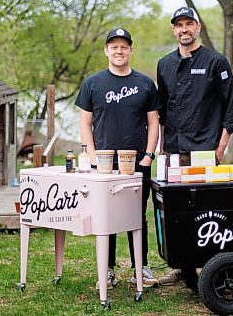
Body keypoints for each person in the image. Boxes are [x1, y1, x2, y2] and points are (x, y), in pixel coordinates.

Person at [156, 7, 233, 285]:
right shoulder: (164, 64)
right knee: (179, 212)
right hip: (173, 151)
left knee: (210, 211)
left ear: (198, 27)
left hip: (205, 149)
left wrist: (221, 146)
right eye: (179, 25)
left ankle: (218, 269)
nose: (184, 29)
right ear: (173, 30)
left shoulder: (216, 62)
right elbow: (163, 111)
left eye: (188, 23)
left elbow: (231, 107)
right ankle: (184, 268)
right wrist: (161, 148)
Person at [75, 28, 161, 289]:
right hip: (103, 164)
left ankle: (141, 268)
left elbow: (154, 123)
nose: (119, 51)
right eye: (114, 46)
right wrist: (91, 156)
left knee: (137, 216)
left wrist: (148, 156)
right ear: (106, 50)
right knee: (107, 217)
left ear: (130, 50)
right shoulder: (93, 83)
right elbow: (85, 124)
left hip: (137, 163)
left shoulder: (145, 83)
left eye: (124, 46)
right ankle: (109, 269)